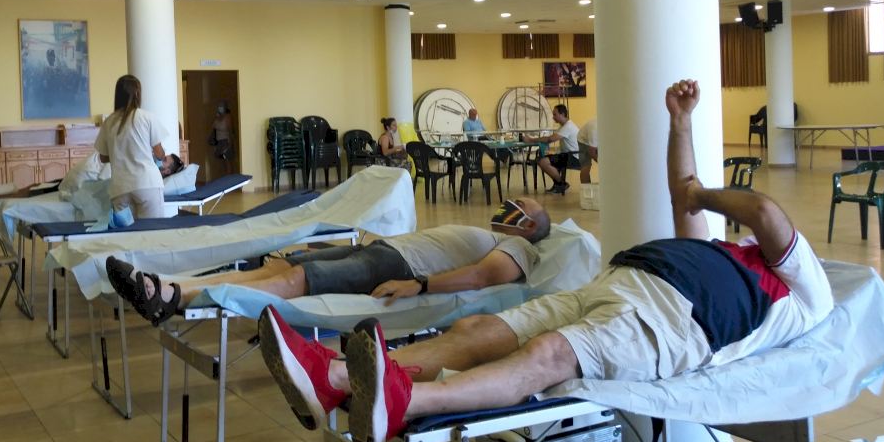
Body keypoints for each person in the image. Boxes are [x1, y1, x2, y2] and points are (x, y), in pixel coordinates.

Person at [259, 79, 834, 442]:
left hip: (669, 323)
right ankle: (338, 377)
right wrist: (681, 124)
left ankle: (402, 403)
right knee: (476, 330)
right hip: (617, 286)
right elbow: (683, 193)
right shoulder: (725, 255)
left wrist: (700, 194)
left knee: (547, 356)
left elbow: (759, 210)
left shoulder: (804, 289)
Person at [106, 198, 552, 326]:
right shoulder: (495, 233)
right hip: (383, 251)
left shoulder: (520, 249)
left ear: (530, 225)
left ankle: (171, 299)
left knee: (298, 280)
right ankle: (165, 281)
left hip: (397, 268)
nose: (511, 204)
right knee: (281, 268)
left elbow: (481, 277)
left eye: (522, 206)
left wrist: (419, 286)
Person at [94, 74, 171, 219]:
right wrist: (156, 155)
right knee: (154, 229)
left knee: (127, 232)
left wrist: (119, 153)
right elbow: (159, 153)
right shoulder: (147, 117)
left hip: (120, 188)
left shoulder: (109, 121)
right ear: (137, 94)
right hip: (147, 184)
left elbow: (103, 158)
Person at [524, 104, 580, 193]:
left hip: (573, 157)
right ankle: (558, 184)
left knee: (543, 161)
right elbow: (550, 139)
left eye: (555, 114)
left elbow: (550, 139)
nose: (553, 117)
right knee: (542, 159)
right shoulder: (564, 126)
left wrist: (530, 140)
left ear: (562, 114)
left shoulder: (568, 126)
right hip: (567, 155)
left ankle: (561, 184)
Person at [578, 118, 598, 184]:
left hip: (595, 140)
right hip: (583, 141)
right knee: (586, 165)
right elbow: (592, 152)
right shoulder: (594, 129)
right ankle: (586, 187)